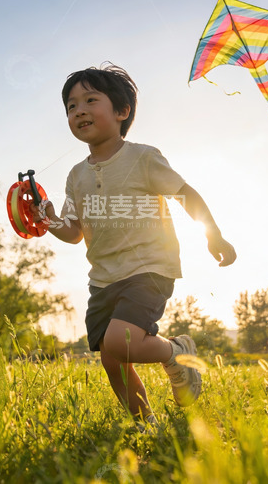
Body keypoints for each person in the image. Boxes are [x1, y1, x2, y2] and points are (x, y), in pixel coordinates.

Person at [37, 64, 236, 426]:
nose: (78, 109)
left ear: (121, 111)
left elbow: (184, 193)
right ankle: (147, 427)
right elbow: (74, 231)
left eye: (90, 100)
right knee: (112, 358)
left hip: (149, 267)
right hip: (102, 277)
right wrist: (47, 219)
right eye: (71, 105)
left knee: (120, 342)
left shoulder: (142, 157)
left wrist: (213, 233)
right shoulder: (75, 176)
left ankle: (176, 352)